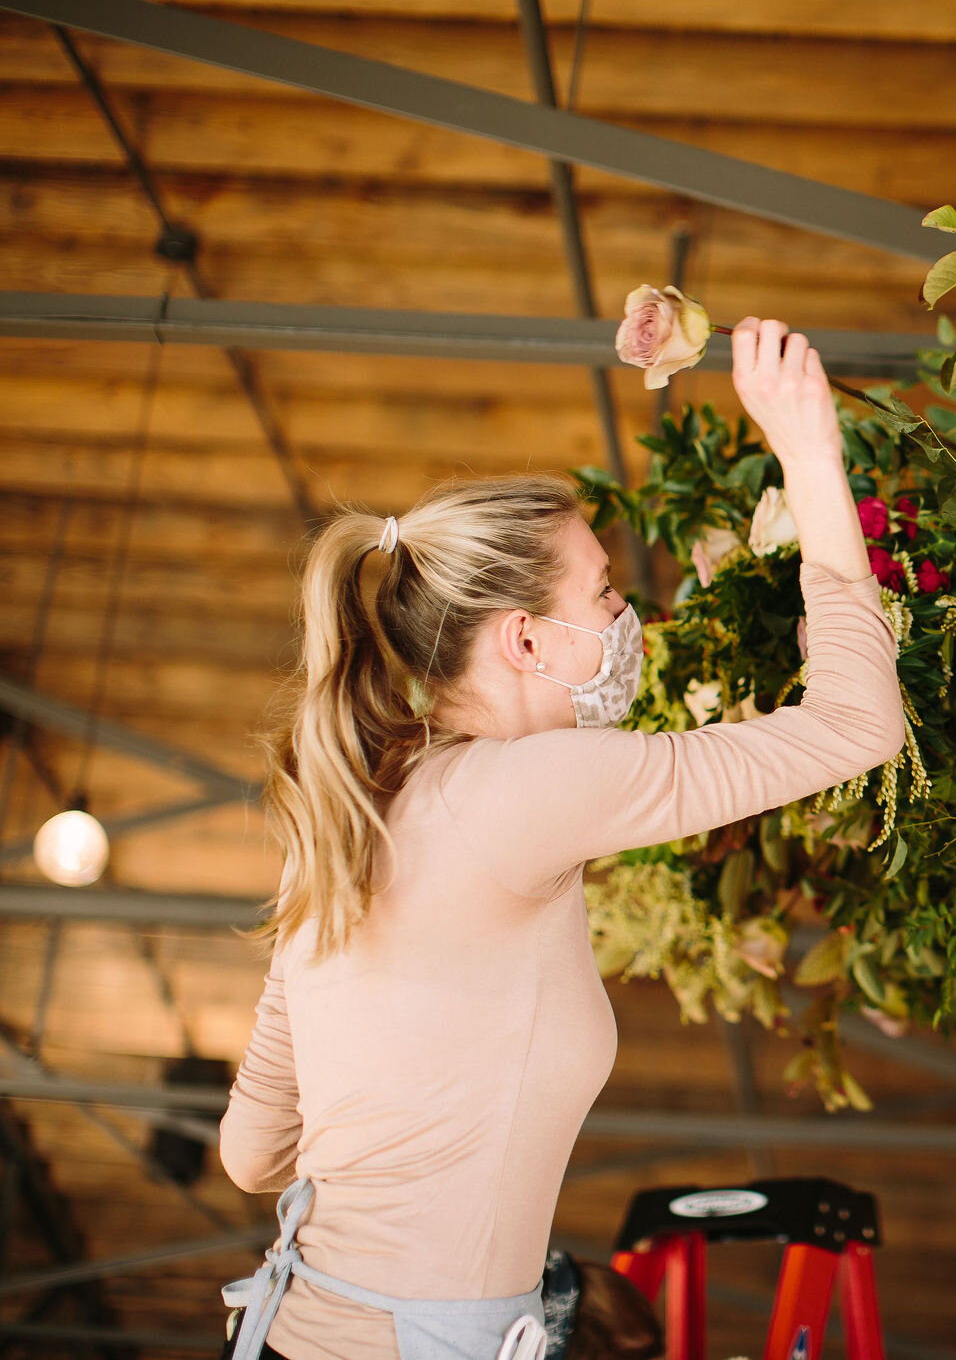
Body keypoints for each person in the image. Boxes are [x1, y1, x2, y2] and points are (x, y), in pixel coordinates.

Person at [216, 319, 902, 1360]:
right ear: (525, 638)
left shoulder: (346, 814)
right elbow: (857, 725)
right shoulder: (526, 787)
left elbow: (250, 1153)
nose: (628, 616)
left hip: (287, 1329)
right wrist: (808, 451)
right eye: (606, 592)